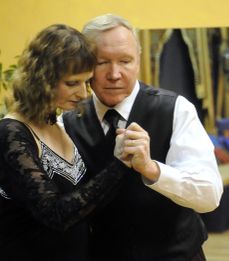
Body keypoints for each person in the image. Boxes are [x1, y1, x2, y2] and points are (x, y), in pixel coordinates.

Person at [62, 14, 223, 261]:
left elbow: (209, 196)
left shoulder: (176, 110)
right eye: (102, 62)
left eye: (125, 61)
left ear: (139, 61)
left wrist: (152, 170)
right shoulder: (67, 120)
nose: (114, 74)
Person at [0, 24, 131, 261]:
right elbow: (56, 214)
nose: (83, 94)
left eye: (86, 82)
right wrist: (119, 164)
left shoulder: (58, 123)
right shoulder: (11, 133)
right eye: (72, 83)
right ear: (42, 80)